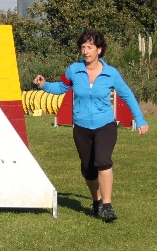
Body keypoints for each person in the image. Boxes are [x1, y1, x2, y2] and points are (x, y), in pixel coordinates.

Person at [33, 29, 148, 222]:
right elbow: (61, 88)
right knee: (88, 169)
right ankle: (97, 201)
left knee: (103, 161)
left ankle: (108, 206)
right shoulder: (74, 70)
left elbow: (127, 95)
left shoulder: (111, 73)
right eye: (83, 47)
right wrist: (45, 84)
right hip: (81, 126)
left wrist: (140, 119)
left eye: (90, 47)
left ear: (99, 50)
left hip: (105, 125)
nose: (86, 51)